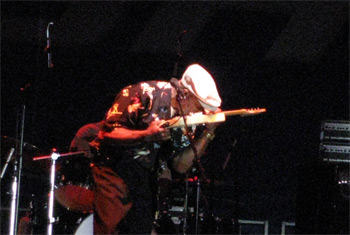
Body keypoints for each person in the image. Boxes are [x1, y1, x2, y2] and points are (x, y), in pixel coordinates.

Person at [87, 63, 222, 234]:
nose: (201, 114)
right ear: (185, 94)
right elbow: (106, 135)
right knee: (111, 229)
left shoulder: (188, 120)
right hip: (113, 170)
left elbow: (180, 166)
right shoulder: (143, 93)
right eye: (200, 107)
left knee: (141, 229)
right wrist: (147, 134)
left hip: (145, 176)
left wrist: (209, 132)